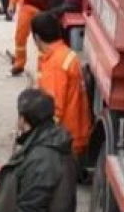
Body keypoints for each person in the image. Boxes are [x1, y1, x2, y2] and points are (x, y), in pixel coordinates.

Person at [32, 12, 92, 174]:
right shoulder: (65, 54)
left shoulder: (55, 64)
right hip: (74, 133)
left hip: (63, 140)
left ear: (37, 38)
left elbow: (54, 107)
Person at [8, 0, 38, 76]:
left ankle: (45, 67)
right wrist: (12, 3)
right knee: (20, 37)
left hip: (44, 6)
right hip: (26, 5)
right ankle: (19, 64)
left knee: (43, 40)